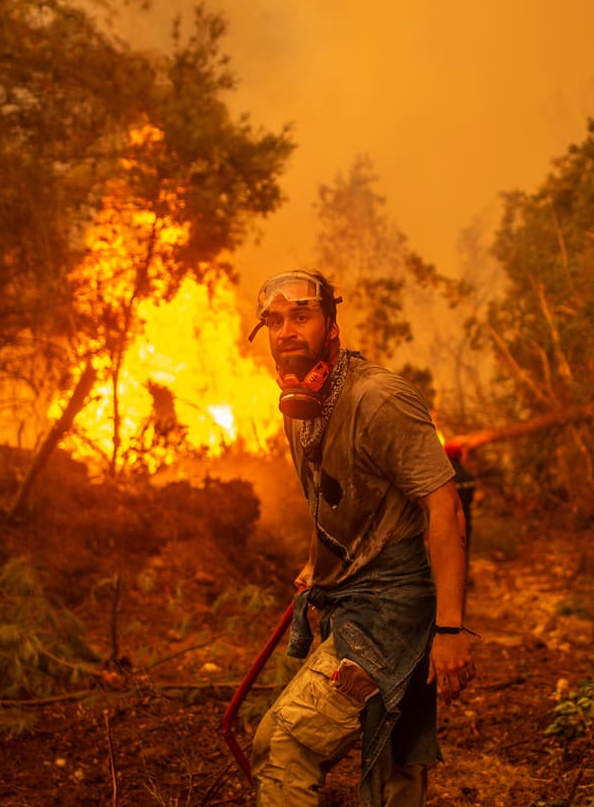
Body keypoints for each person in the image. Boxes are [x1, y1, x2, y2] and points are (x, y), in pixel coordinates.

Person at [246, 269, 476, 807]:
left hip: (393, 608)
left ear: (332, 326)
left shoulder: (379, 400)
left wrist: (450, 628)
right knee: (397, 762)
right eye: (274, 322)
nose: (286, 332)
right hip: (350, 596)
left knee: (283, 748)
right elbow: (330, 501)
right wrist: (315, 569)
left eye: (301, 316)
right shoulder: (297, 408)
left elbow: (445, 507)